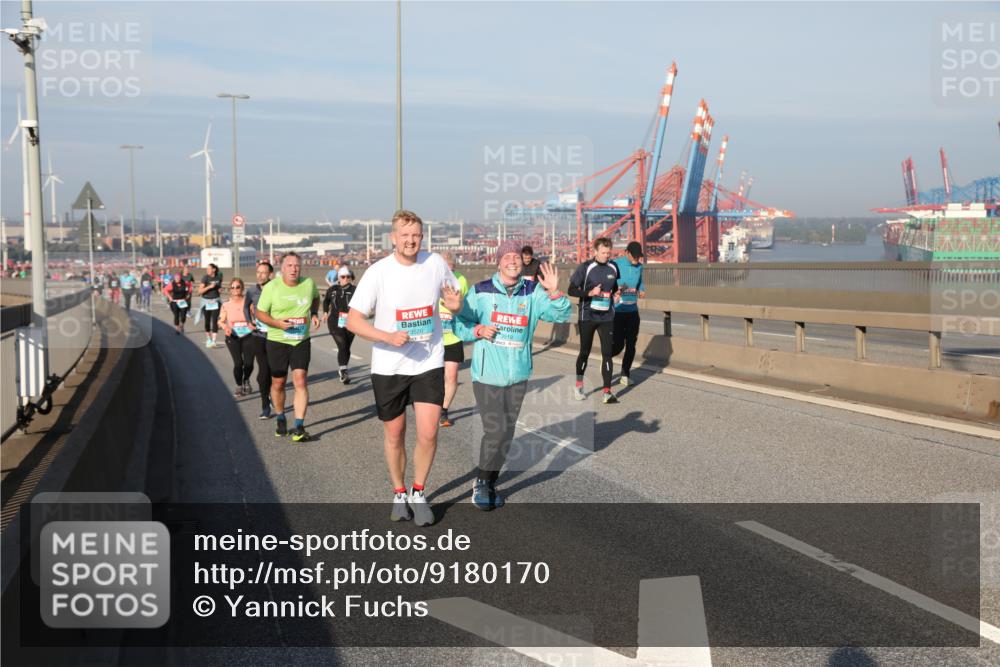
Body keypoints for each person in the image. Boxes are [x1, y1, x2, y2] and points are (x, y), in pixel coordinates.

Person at [347, 209, 461, 527]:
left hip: (428, 360)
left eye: (416, 235)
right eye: (404, 235)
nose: (410, 240)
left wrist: (455, 305)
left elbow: (454, 300)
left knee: (428, 431)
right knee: (395, 434)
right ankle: (399, 492)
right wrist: (387, 336)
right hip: (389, 365)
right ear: (393, 238)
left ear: (422, 238)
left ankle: (418, 492)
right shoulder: (378, 272)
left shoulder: (435, 264)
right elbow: (354, 320)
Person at [454, 239, 570, 509]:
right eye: (506, 257)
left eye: (516, 257)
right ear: (498, 262)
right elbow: (460, 324)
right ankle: (481, 482)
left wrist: (554, 292)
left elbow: (561, 315)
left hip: (518, 374)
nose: (512, 261)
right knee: (495, 431)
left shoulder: (532, 291)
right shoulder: (481, 291)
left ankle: (490, 480)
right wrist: (477, 331)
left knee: (506, 433)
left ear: (522, 261)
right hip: (486, 375)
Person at [255, 252, 321, 442]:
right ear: (282, 268)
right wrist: (277, 323)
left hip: (300, 339)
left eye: (296, 266)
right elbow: (260, 313)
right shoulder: (272, 287)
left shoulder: (308, 284)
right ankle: (281, 416)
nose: (293, 269)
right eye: (289, 265)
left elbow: (316, 297)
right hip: (277, 340)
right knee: (278, 383)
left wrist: (314, 313)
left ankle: (299, 426)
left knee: (300, 380)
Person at [568, 237, 621, 404]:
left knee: (607, 353)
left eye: (608, 253)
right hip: (588, 316)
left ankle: (607, 391)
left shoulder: (614, 266)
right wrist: (589, 293)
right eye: (603, 253)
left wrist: (616, 294)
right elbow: (571, 290)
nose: (606, 256)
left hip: (607, 316)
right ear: (595, 252)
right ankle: (578, 386)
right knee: (585, 352)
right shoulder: (585, 268)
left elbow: (613, 287)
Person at [438, 251, 468, 427]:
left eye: (449, 269)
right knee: (433, 378)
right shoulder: (429, 280)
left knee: (451, 376)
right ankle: (429, 406)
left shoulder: (461, 280)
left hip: (453, 336)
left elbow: (464, 306)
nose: (446, 274)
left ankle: (443, 410)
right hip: (432, 338)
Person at [612, 241, 646, 386]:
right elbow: (608, 281)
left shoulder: (639, 267)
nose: (637, 259)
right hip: (618, 311)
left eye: (639, 256)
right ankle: (607, 356)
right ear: (626, 252)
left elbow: (640, 282)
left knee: (631, 344)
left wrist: (642, 289)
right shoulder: (615, 264)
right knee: (619, 344)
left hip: (632, 311)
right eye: (634, 256)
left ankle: (625, 374)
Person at [246, 261, 274, 419]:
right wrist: (249, 321)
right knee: (263, 371)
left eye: (263, 273)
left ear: (270, 274)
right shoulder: (251, 290)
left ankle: (272, 393)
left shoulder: (276, 289)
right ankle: (265, 405)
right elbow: (246, 307)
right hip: (258, 336)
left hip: (275, 336)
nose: (260, 275)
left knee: (274, 371)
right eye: (258, 272)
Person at [219, 278, 256, 397]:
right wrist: (226, 328)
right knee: (238, 363)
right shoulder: (226, 304)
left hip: (248, 335)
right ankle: (239, 385)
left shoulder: (248, 302)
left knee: (249, 363)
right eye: (232, 287)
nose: (235, 290)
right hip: (233, 336)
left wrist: (254, 324)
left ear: (242, 288)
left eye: (238, 287)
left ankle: (246, 379)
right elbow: (221, 321)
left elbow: (257, 317)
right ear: (230, 290)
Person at [322, 265, 357, 384]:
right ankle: (343, 370)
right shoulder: (333, 289)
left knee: (346, 347)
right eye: (343, 277)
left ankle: (343, 368)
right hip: (335, 321)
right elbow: (326, 301)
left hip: (351, 321)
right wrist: (326, 312)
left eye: (348, 277)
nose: (346, 279)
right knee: (342, 345)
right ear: (339, 278)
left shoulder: (355, 290)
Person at [198, 263, 223, 348]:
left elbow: (219, 288)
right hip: (206, 302)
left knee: (215, 321)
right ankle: (208, 338)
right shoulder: (205, 278)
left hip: (215, 301)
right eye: (207, 269)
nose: (207, 270)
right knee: (207, 321)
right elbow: (199, 291)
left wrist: (219, 289)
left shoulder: (218, 278)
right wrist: (209, 287)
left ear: (214, 269)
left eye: (209, 269)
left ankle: (214, 340)